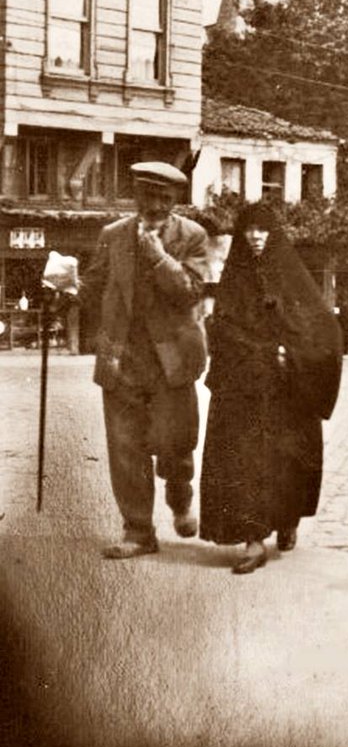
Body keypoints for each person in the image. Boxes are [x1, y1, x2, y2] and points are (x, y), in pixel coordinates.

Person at [75, 162, 209, 558]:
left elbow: (191, 292)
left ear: (174, 201)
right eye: (149, 196)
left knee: (174, 441)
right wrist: (66, 288)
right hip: (123, 357)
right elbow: (95, 286)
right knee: (126, 447)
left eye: (164, 199)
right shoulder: (112, 235)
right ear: (137, 195)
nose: (156, 206)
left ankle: (180, 494)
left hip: (173, 359)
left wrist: (158, 257)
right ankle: (138, 531)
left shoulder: (193, 236)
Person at [200, 203, 342, 574]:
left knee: (287, 457)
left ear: (273, 233)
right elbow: (222, 327)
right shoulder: (234, 278)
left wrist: (292, 352)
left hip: (285, 387)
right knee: (245, 459)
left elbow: (321, 325)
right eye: (249, 230)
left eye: (263, 230)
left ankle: (287, 518)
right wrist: (263, 349)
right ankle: (253, 538)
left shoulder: (292, 275)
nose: (256, 236)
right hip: (244, 383)